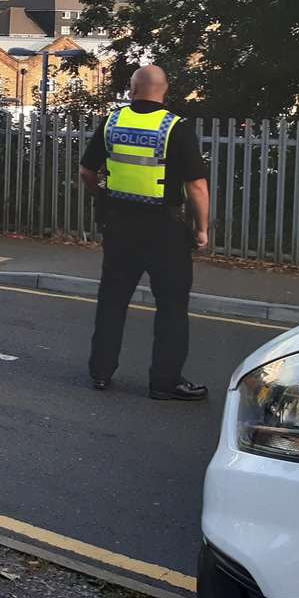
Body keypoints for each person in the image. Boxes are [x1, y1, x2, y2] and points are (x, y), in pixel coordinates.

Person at [81, 65, 210, 401]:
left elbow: (87, 170)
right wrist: (202, 229)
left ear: (132, 88)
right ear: (165, 90)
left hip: (119, 224)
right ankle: (164, 382)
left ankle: (100, 372)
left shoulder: (113, 121)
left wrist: (103, 193)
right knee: (171, 306)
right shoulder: (176, 128)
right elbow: (196, 184)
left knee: (112, 299)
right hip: (164, 229)